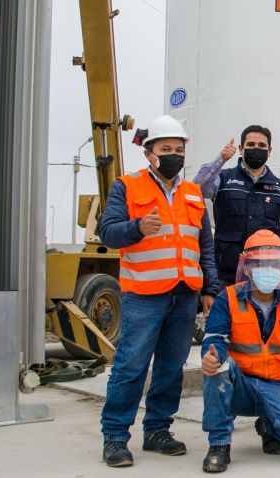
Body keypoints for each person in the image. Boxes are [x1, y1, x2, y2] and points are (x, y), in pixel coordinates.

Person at [97, 115, 221, 467]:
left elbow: (205, 246)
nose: (173, 155)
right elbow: (108, 232)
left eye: (179, 150)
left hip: (184, 295)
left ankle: (157, 431)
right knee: (131, 366)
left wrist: (209, 288)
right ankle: (116, 436)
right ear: (149, 153)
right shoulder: (128, 186)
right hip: (143, 295)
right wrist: (136, 227)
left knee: (171, 368)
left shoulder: (194, 193)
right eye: (166, 149)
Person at [199, 230, 280, 473]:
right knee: (221, 366)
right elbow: (215, 338)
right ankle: (219, 444)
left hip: (277, 385)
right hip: (240, 383)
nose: (268, 270)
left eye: (274, 265)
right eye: (260, 264)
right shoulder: (228, 298)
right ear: (247, 267)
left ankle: (268, 427)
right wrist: (212, 357)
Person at [193, 125, 280, 285]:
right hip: (226, 278)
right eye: (251, 145)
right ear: (241, 149)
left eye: (261, 146)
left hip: (268, 279)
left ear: (269, 151)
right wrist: (221, 159)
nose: (256, 149)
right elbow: (197, 188)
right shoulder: (224, 179)